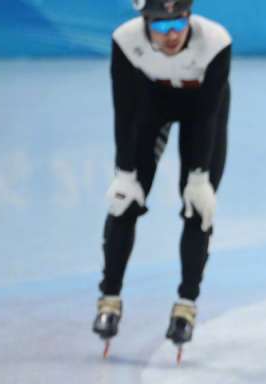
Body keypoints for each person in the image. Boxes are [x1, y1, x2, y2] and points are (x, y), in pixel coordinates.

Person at [94, 0, 231, 355]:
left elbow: (208, 116)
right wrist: (125, 172)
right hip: (148, 108)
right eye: (160, 26)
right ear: (144, 21)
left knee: (198, 207)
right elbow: (124, 110)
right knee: (124, 200)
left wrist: (199, 177)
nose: (171, 35)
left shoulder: (215, 42)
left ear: (189, 17)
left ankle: (186, 305)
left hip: (202, 113)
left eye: (178, 24)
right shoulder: (125, 41)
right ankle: (109, 298)